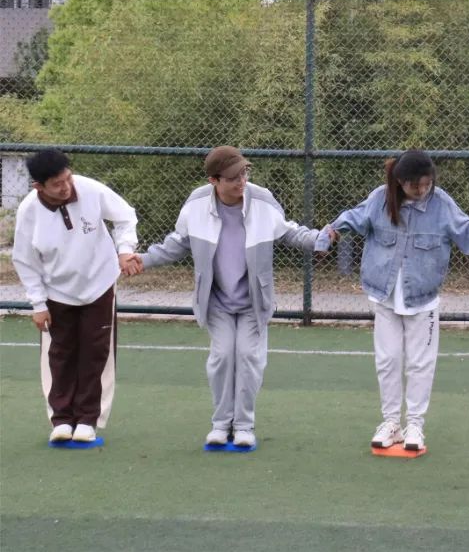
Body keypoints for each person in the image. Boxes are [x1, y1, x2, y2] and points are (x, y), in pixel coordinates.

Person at [317, 149, 469, 451]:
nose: (421, 190)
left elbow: (468, 230)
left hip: (423, 298)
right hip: (384, 296)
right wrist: (331, 231)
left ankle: (415, 425)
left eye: (426, 183)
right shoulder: (380, 199)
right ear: (399, 181)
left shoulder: (441, 204)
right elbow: (354, 217)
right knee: (388, 360)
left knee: (420, 363)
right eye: (414, 185)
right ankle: (391, 423)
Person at [137, 146, 323, 448]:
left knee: (248, 357)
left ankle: (244, 426)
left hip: (253, 301)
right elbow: (177, 243)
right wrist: (143, 260)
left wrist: (320, 239)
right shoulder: (196, 204)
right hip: (216, 301)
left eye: (244, 174)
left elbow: (289, 231)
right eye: (234, 178)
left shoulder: (261, 199)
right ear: (214, 180)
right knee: (223, 356)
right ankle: (221, 424)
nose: (242, 182)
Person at [12, 149, 140, 444]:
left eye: (67, 178)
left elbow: (126, 216)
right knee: (60, 355)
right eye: (57, 184)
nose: (66, 186)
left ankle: (87, 420)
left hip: (100, 284)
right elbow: (25, 260)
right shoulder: (28, 211)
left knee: (95, 352)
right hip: (56, 292)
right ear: (39, 186)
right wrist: (38, 304)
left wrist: (124, 250)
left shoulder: (91, 190)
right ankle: (61, 420)